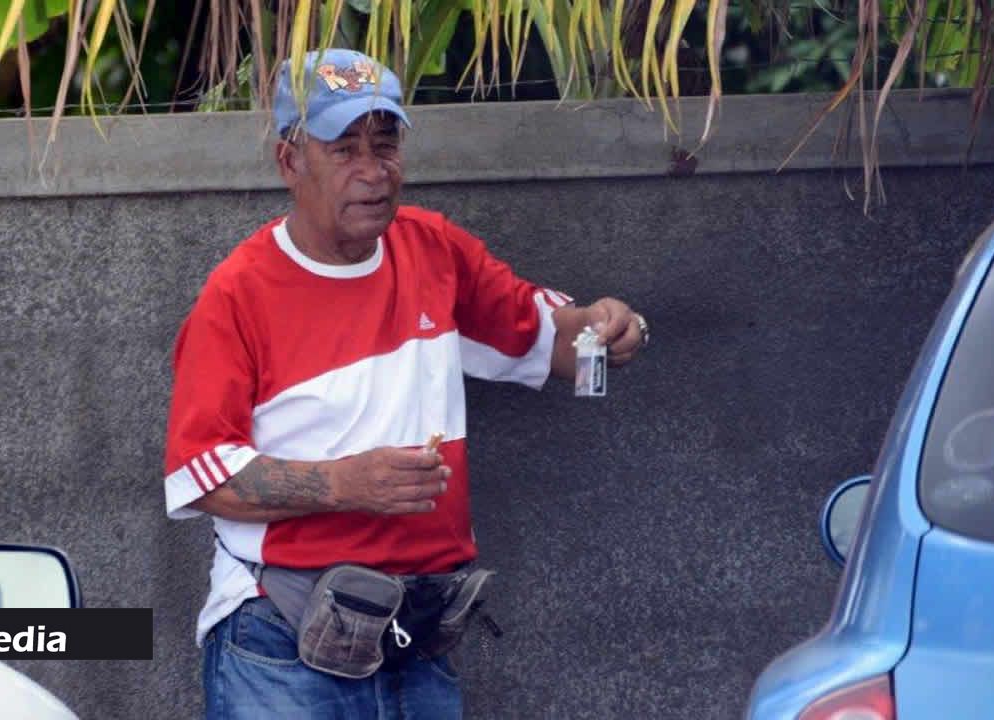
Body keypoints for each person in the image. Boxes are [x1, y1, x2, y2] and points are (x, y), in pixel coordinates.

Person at [162, 48, 649, 719]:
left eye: (385, 144)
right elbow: (201, 474)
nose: (373, 171)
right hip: (280, 638)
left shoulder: (434, 250)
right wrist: (343, 484)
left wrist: (607, 327)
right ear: (289, 162)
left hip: (416, 633)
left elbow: (553, 341)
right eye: (344, 149)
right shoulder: (237, 295)